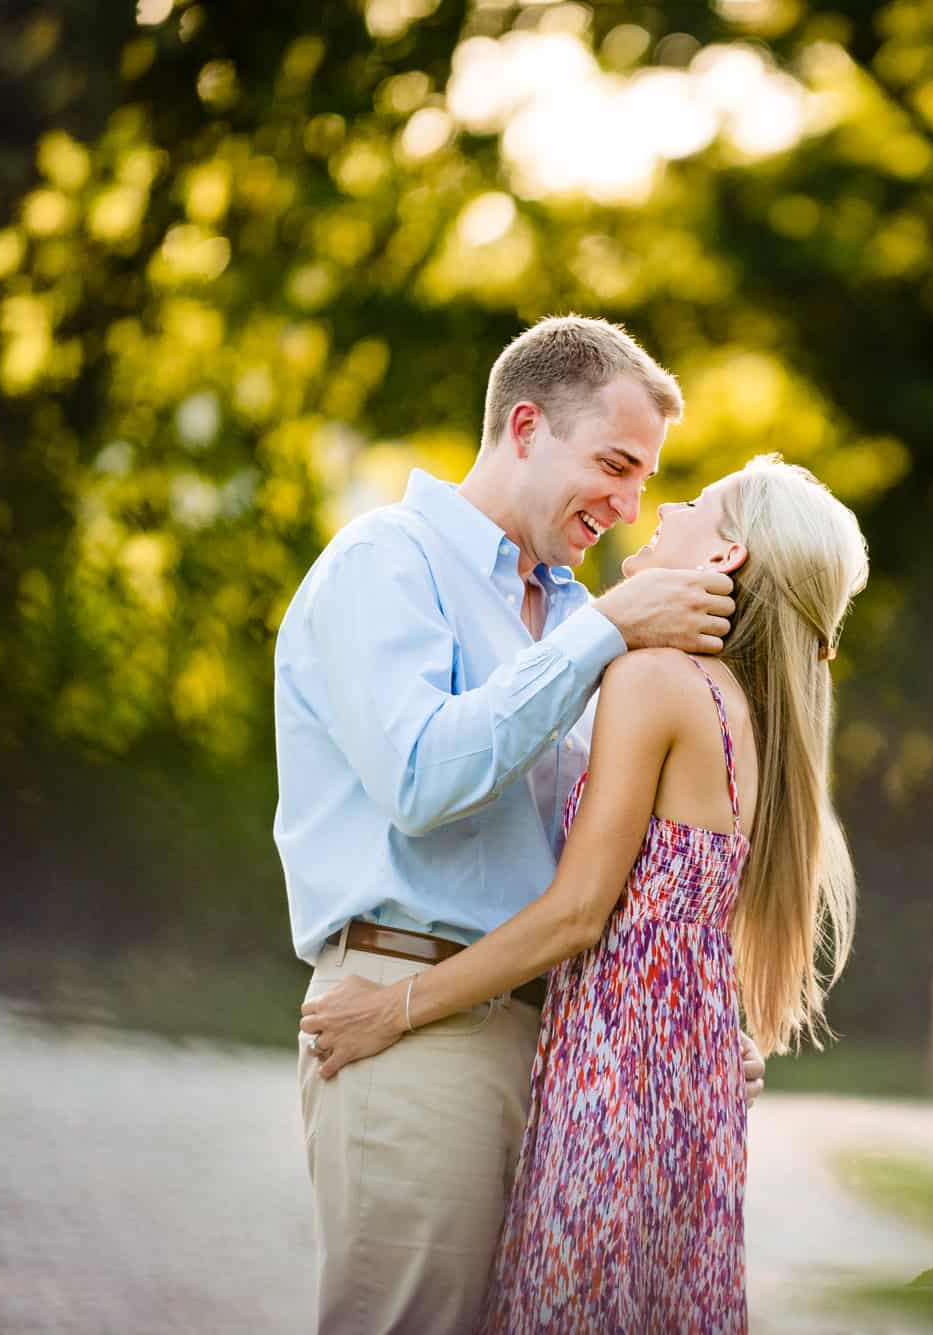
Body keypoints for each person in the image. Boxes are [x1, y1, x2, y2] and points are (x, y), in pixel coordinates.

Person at [273, 315, 767, 1335]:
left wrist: (696, 1025)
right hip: (413, 1025)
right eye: (614, 466)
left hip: (554, 1047)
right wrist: (601, 634)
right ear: (527, 426)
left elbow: (606, 867)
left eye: (643, 482)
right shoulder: (387, 561)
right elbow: (419, 777)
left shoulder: (576, 615)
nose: (628, 507)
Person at [301, 455, 868, 1332]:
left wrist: (395, 1008)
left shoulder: (653, 682)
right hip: (677, 1088)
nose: (663, 505)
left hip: (613, 1086)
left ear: (724, 559)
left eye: (695, 503)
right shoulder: (739, 712)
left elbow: (577, 912)